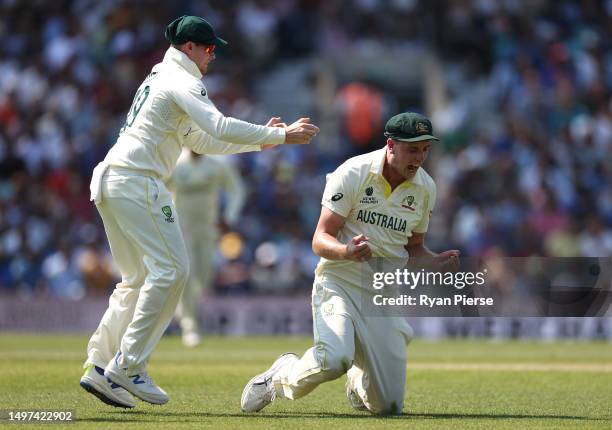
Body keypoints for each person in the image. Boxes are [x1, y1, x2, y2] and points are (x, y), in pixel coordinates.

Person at [79, 15, 319, 409]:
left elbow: (202, 139)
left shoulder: (158, 78)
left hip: (110, 180)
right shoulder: (182, 80)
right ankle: (129, 365)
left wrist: (264, 143)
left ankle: (100, 365)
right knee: (172, 271)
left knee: (135, 280)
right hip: (138, 181)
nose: (212, 57)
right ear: (188, 47)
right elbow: (220, 125)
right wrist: (281, 134)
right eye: (208, 49)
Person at [241, 112, 459, 415]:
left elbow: (414, 248)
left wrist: (433, 262)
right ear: (391, 145)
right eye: (413, 149)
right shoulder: (354, 172)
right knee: (334, 359)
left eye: (425, 149)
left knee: (389, 406)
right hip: (338, 282)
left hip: (381, 293)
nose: (420, 157)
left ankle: (358, 380)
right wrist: (346, 251)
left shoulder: (426, 188)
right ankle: (278, 378)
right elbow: (319, 239)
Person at [170, 150, 247, 347]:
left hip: (208, 230)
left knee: (203, 278)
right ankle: (190, 326)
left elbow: (237, 190)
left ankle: (183, 310)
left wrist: (229, 217)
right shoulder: (176, 163)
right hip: (182, 230)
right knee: (187, 272)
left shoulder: (218, 164)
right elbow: (158, 191)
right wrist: (167, 219)